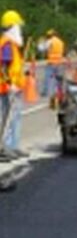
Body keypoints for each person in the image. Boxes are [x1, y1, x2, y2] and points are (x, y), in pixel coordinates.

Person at [0, 10, 27, 161]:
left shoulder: (11, 44)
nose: (20, 30)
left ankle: (13, 146)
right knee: (7, 117)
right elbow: (3, 66)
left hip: (13, 87)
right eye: (18, 26)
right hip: (7, 88)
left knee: (14, 117)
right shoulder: (7, 44)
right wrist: (10, 84)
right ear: (12, 27)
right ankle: (6, 148)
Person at [39, 28, 66, 101]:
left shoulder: (50, 41)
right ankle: (60, 92)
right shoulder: (60, 41)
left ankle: (46, 92)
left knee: (48, 77)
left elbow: (41, 49)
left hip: (52, 62)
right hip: (60, 62)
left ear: (50, 35)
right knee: (59, 78)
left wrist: (41, 42)